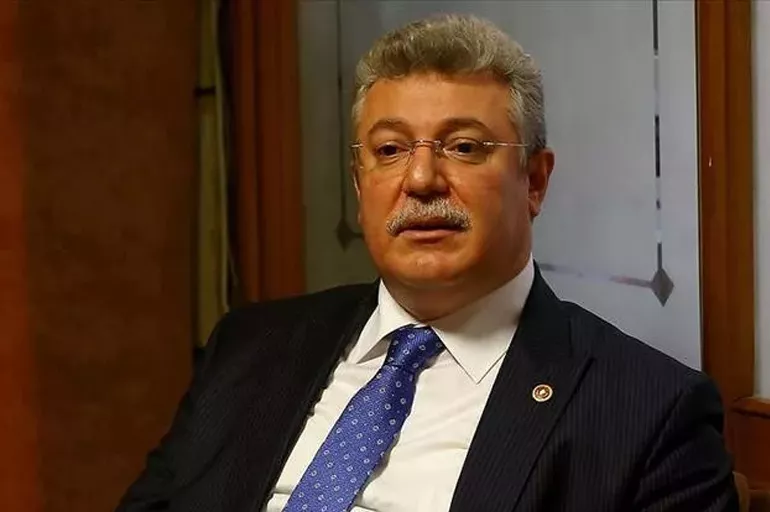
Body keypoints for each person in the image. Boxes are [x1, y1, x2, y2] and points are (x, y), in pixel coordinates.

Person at [117, 14, 737, 512]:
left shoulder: (648, 412)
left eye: (463, 147)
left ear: (534, 181)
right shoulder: (250, 347)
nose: (419, 179)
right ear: (359, 185)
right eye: (389, 150)